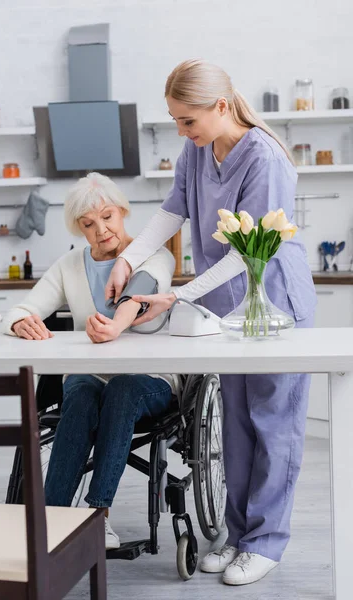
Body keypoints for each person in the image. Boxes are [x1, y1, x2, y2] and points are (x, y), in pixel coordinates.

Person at [105, 60, 317, 585]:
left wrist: (175, 294)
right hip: (228, 309)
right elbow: (171, 211)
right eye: (176, 121)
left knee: (274, 425)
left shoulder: (265, 159)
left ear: (220, 106)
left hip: (274, 306)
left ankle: (266, 542)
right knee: (238, 425)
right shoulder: (199, 149)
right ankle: (240, 534)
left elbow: (245, 254)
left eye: (187, 121)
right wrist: (128, 259)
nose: (182, 131)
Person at [3, 172, 179, 549]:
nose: (101, 230)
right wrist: (20, 321)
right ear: (79, 228)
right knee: (80, 393)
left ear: (123, 213)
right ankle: (52, 521)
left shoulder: (155, 254)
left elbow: (144, 285)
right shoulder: (69, 266)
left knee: (122, 387)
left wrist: (117, 325)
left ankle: (97, 516)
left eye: (108, 217)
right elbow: (19, 308)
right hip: (90, 375)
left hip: (149, 378)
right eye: (89, 224)